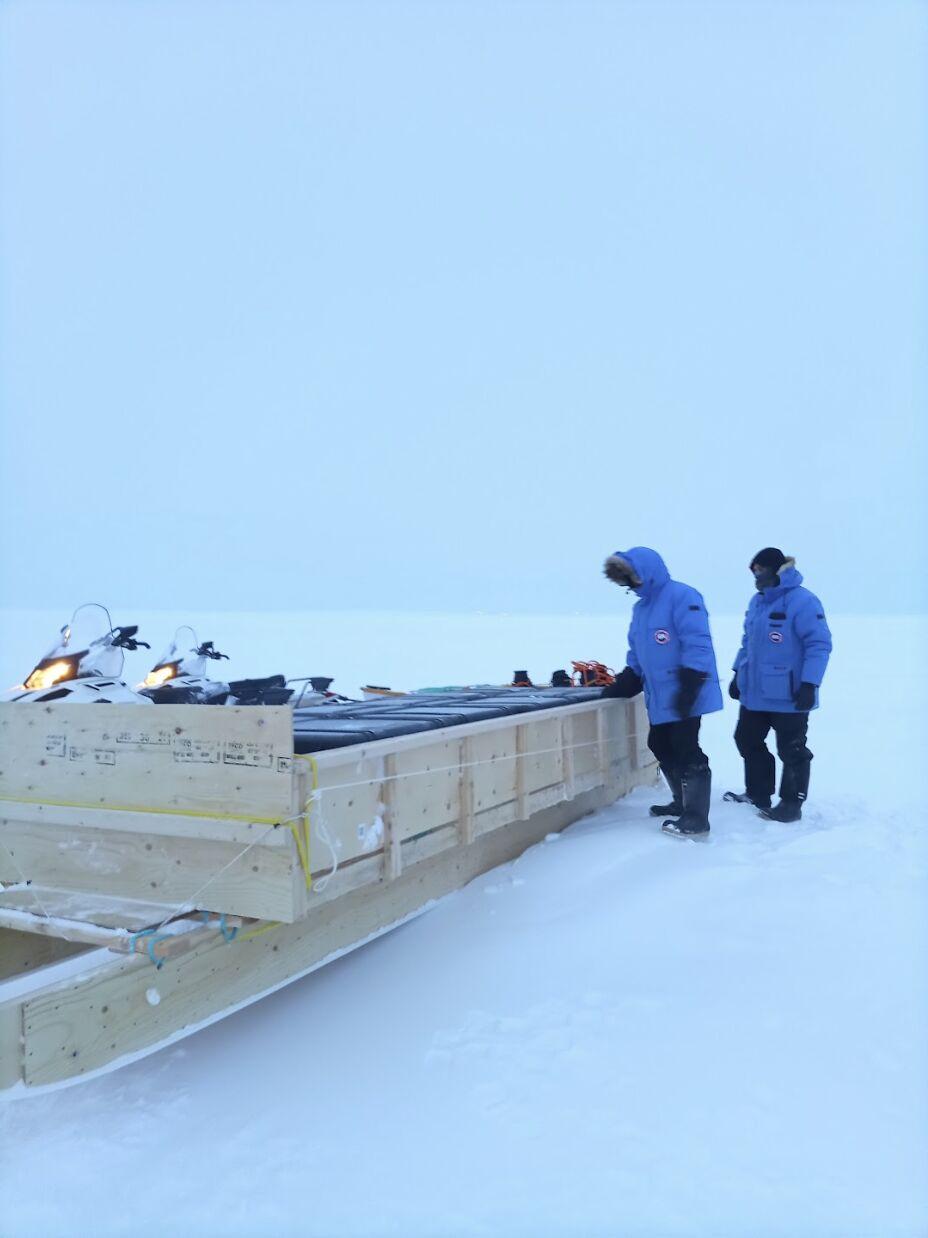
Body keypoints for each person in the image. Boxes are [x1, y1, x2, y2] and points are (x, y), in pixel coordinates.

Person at [601, 546, 722, 837]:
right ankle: (681, 802)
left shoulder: (683, 597)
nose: (629, 585)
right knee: (659, 743)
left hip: (686, 690)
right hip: (659, 695)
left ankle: (696, 818)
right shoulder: (641, 609)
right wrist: (628, 679)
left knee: (686, 748)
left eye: (631, 578)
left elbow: (698, 643)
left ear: (645, 571)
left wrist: (691, 683)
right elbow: (638, 650)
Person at [725, 548, 832, 822]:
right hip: (755, 692)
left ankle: (790, 805)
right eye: (754, 571)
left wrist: (810, 683)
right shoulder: (758, 601)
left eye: (761, 570)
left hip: (791, 694)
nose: (756, 576)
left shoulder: (803, 601)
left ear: (776, 569)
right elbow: (747, 642)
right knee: (746, 739)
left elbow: (819, 645)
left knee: (792, 751)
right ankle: (758, 794)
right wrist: (738, 673)